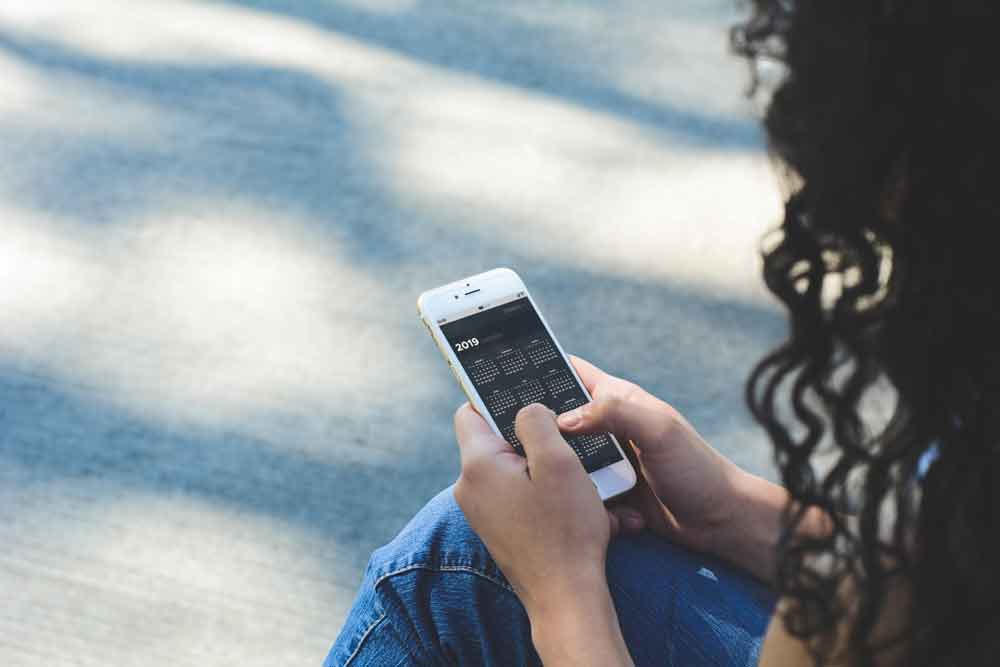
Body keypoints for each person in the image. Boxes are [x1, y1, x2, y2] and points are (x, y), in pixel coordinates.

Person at [325, 1, 1000, 665]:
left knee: (456, 562)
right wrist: (728, 510)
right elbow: (956, 564)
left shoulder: (864, 617)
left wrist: (561, 591)